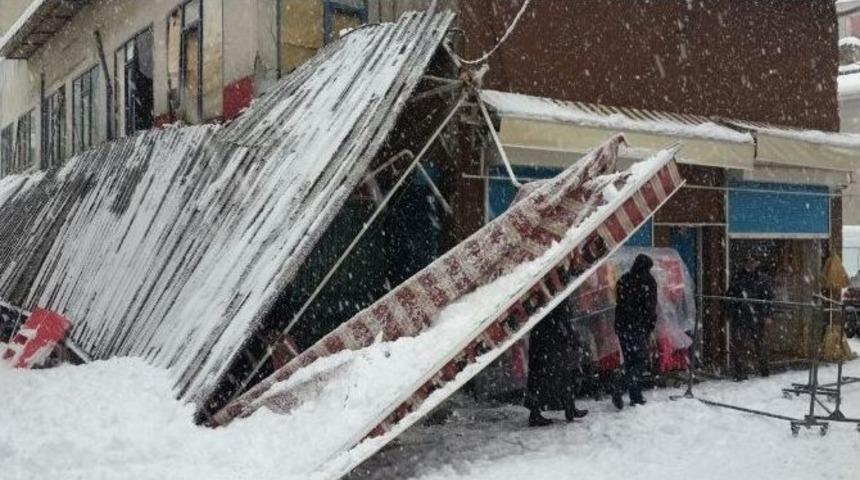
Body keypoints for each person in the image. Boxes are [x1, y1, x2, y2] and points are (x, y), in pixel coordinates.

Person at [525, 300, 589, 427]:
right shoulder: (558, 298)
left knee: (544, 378)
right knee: (560, 378)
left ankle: (565, 408)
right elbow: (565, 321)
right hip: (551, 343)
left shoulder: (546, 298)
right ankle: (568, 409)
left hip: (543, 341)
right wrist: (574, 340)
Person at [612, 254, 658, 409]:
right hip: (637, 326)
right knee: (641, 360)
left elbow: (619, 302)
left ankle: (636, 396)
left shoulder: (624, 279)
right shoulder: (648, 282)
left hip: (622, 326)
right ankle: (621, 387)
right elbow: (650, 307)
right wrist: (650, 325)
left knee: (630, 361)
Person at [726, 253, 773, 381]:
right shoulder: (738, 276)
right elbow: (730, 295)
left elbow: (768, 298)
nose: (750, 263)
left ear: (757, 263)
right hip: (740, 315)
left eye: (753, 261)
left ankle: (764, 370)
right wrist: (730, 312)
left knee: (759, 344)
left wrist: (768, 314)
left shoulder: (762, 278)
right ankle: (740, 372)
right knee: (740, 343)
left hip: (756, 316)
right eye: (748, 261)